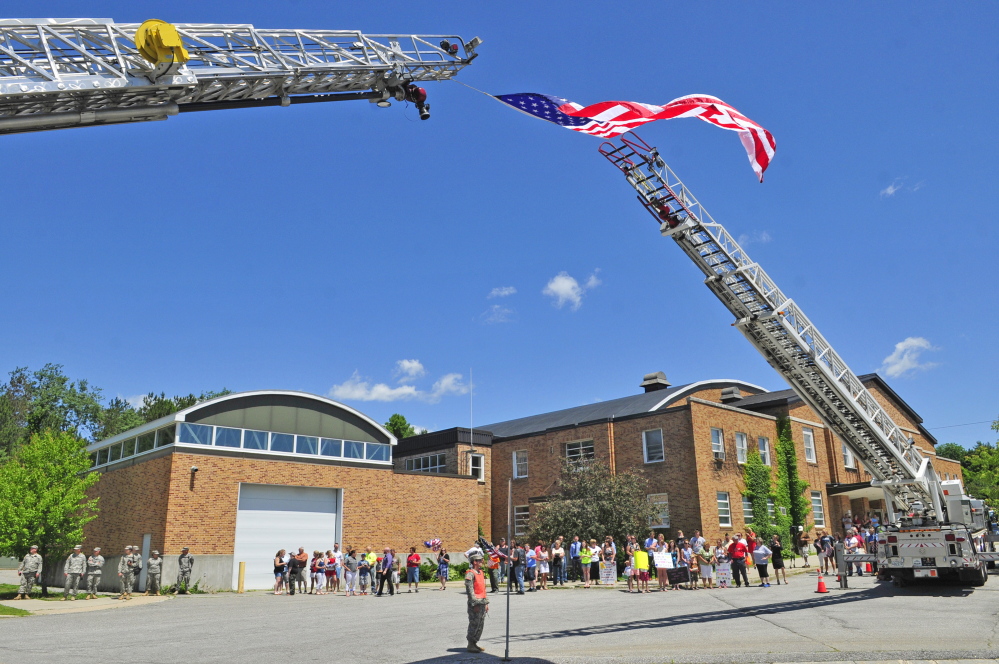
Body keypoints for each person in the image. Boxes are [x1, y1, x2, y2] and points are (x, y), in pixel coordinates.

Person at [464, 554, 489, 653]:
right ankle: (470, 644)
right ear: (474, 562)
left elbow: (483, 589)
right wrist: (475, 604)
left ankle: (474, 643)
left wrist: (486, 603)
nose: (481, 561)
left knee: (480, 624)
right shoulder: (470, 574)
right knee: (474, 623)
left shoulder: (480, 572)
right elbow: (470, 591)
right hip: (475, 603)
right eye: (479, 560)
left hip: (482, 601)